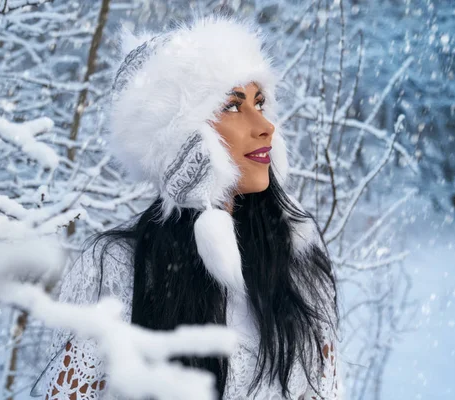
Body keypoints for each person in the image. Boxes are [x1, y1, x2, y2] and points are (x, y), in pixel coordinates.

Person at [42, 15, 340, 400]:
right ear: (180, 135)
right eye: (233, 106)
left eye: (260, 102)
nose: (264, 125)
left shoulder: (299, 265)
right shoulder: (117, 267)